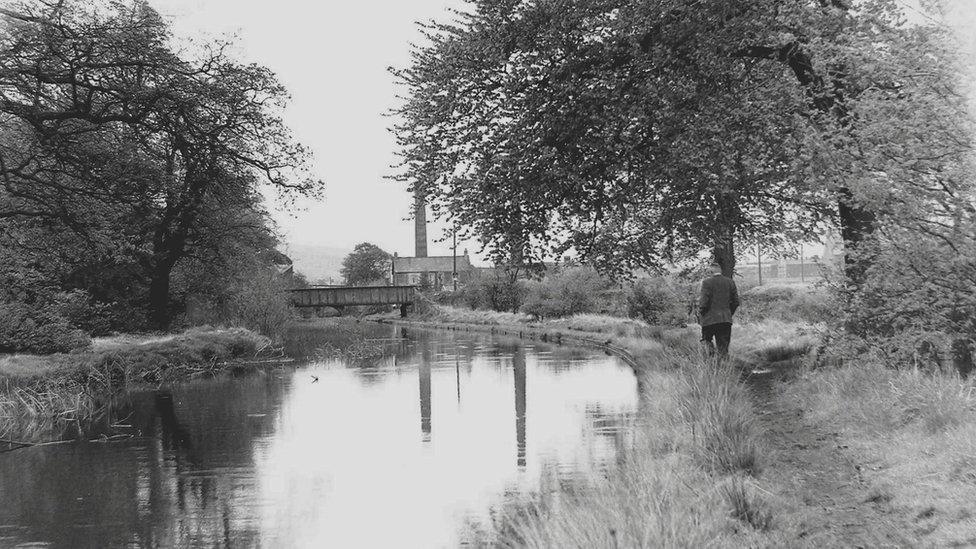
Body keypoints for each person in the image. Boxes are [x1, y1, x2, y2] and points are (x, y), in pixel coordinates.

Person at [698, 261, 740, 360]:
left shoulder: (706, 282)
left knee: (706, 342)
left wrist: (702, 314)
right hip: (725, 319)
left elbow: (704, 302)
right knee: (723, 348)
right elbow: (736, 302)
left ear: (711, 272)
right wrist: (729, 313)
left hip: (709, 320)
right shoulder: (730, 282)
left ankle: (710, 365)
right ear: (720, 271)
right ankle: (724, 368)